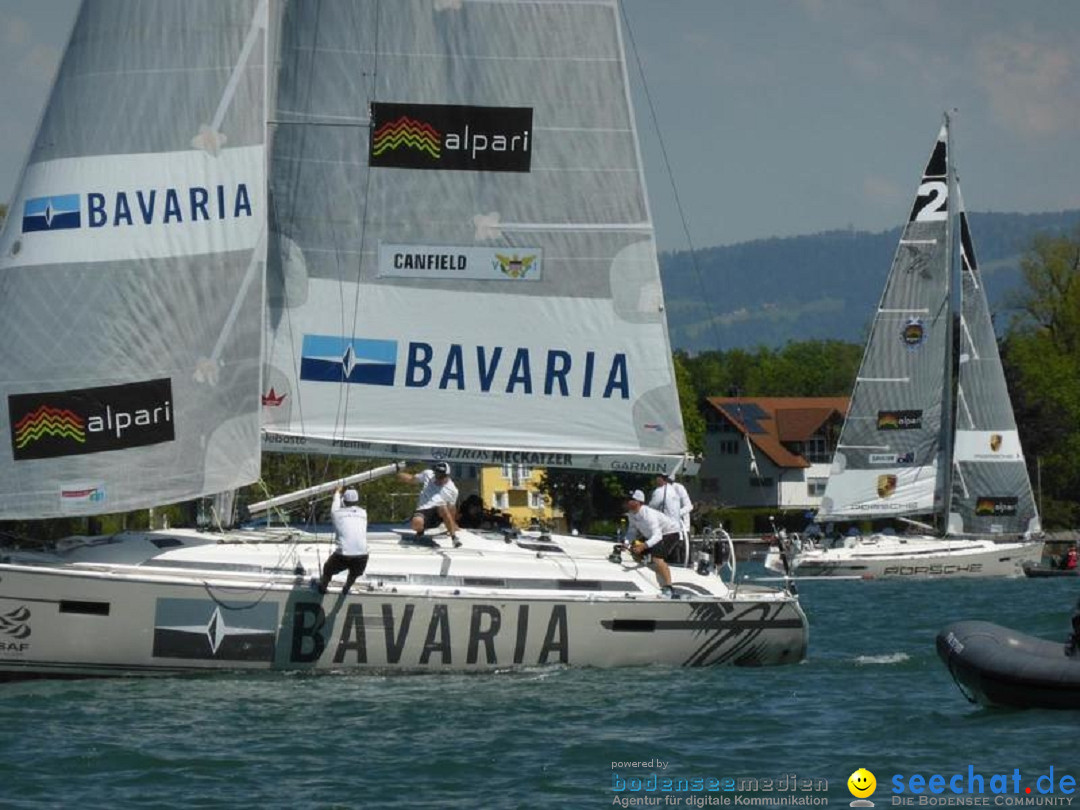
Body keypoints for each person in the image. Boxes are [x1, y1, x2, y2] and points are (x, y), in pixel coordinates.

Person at [623, 489, 683, 598]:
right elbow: (631, 531)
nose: (628, 502)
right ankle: (653, 574)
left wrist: (643, 546)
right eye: (627, 499)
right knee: (635, 552)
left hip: (670, 533)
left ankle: (669, 588)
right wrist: (626, 544)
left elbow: (658, 536)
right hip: (654, 536)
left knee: (657, 558)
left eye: (631, 500)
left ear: (639, 502)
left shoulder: (648, 514)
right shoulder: (631, 515)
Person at [316, 486, 369, 595]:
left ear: (343, 501)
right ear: (357, 501)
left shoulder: (336, 513)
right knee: (354, 574)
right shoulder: (363, 513)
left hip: (344, 554)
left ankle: (323, 587)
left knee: (327, 569)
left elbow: (336, 502)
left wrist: (337, 492)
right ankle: (346, 589)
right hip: (362, 554)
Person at [398, 460, 461, 547]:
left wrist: (453, 524)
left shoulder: (453, 490)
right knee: (416, 523)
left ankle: (454, 538)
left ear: (447, 475)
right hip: (423, 510)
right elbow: (412, 479)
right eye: (437, 474)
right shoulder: (428, 474)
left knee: (442, 507)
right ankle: (420, 531)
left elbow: (452, 508)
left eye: (441, 476)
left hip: (439, 514)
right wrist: (398, 472)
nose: (438, 478)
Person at [649, 473, 693, 565]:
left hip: (682, 528)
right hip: (667, 529)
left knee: (680, 557)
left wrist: (676, 514)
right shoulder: (660, 491)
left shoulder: (679, 488)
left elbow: (689, 506)